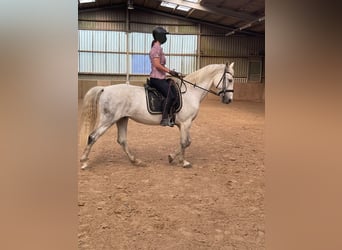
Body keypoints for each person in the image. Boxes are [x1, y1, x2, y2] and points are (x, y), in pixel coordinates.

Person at [149, 27, 180, 127]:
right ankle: (164, 118)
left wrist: (171, 72)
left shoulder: (159, 48)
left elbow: (161, 65)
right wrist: (169, 71)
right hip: (156, 79)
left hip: (161, 77)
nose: (166, 37)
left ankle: (171, 115)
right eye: (165, 35)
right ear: (159, 36)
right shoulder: (155, 49)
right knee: (170, 96)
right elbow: (157, 65)